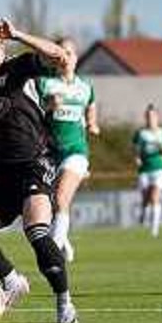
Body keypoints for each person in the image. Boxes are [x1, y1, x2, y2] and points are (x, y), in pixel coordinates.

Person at [0, 2, 78, 323]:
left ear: (0, 42)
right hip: (3, 173)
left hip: (35, 164)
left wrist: (19, 34)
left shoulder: (20, 67)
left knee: (36, 231)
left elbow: (60, 57)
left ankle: (64, 302)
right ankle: (11, 279)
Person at [37, 37, 99, 262]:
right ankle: (64, 243)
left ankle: (52, 252)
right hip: (49, 153)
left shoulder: (85, 87)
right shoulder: (45, 84)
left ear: (77, 57)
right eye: (61, 53)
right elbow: (34, 115)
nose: (66, 58)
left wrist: (92, 123)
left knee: (62, 199)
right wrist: (48, 106)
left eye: (70, 53)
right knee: (51, 203)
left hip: (76, 151)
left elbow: (91, 108)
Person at [133, 103, 162, 238]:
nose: (150, 118)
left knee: (155, 196)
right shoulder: (140, 133)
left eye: (152, 116)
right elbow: (136, 150)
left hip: (160, 168)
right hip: (144, 170)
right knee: (146, 198)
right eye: (148, 116)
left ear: (157, 117)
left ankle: (154, 229)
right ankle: (144, 213)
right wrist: (137, 158)